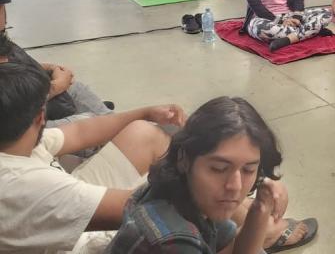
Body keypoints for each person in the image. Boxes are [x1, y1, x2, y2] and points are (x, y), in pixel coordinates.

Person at [0, 61, 185, 254]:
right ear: (40, 117)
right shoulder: (23, 184)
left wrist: (146, 113)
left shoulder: (17, 144)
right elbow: (141, 208)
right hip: (77, 244)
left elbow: (80, 132)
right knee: (181, 212)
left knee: (143, 134)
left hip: (60, 204)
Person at [106, 96, 318, 253]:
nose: (235, 186)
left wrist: (260, 208)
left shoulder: (187, 195)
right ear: (184, 159)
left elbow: (229, 249)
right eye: (218, 169)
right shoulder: (172, 242)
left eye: (249, 169)